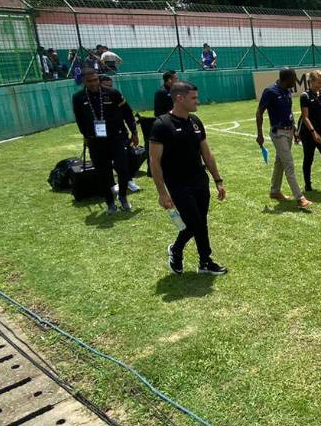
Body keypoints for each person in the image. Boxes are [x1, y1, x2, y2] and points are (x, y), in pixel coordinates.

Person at [149, 81, 228, 275]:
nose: (197, 102)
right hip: (178, 184)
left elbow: (207, 154)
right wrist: (162, 193)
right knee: (194, 222)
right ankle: (176, 250)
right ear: (179, 98)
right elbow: (154, 161)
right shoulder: (161, 125)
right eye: (193, 98)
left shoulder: (195, 121)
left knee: (201, 221)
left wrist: (218, 180)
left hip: (200, 180)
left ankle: (204, 262)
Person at [72, 70, 139, 214]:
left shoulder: (112, 93)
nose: (94, 83)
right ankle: (110, 202)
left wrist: (134, 131)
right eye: (90, 81)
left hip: (116, 138)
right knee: (103, 172)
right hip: (95, 141)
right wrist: (87, 135)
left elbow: (127, 112)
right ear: (84, 82)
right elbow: (79, 120)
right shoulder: (78, 98)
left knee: (122, 168)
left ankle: (122, 196)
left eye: (96, 80)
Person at [255, 67, 312, 209]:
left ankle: (274, 191)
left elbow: (289, 112)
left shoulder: (288, 90)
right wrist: (260, 134)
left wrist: (294, 130)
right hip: (278, 133)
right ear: (286, 79)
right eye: (294, 79)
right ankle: (300, 198)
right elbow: (259, 113)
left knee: (280, 162)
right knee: (289, 164)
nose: (296, 82)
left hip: (289, 131)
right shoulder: (270, 92)